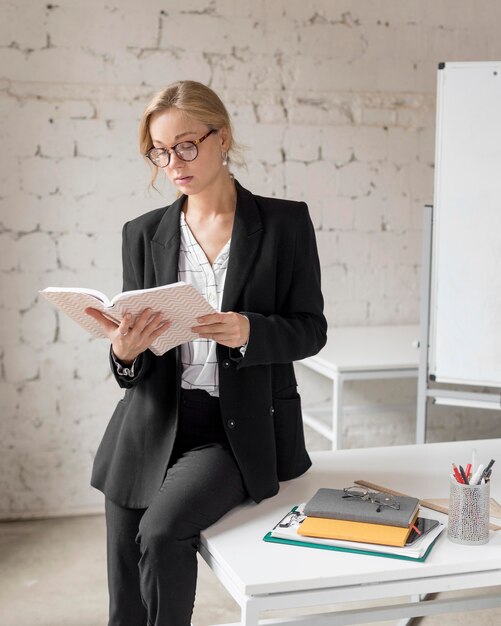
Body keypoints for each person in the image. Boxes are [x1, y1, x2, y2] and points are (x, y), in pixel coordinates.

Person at [86, 80, 327, 626]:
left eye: (186, 146)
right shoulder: (143, 234)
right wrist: (126, 352)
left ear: (223, 138)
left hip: (233, 429)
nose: (174, 163)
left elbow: (311, 330)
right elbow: (136, 366)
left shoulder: (284, 225)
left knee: (162, 531)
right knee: (125, 595)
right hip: (150, 424)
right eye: (160, 152)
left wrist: (248, 331)